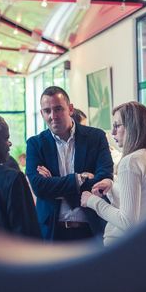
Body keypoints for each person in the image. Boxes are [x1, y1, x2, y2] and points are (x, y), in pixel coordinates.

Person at [81, 101, 146, 246]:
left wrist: (92, 201)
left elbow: (127, 221)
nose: (112, 132)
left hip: (123, 244)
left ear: (132, 127)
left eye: (117, 126)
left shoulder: (131, 161)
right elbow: (144, 198)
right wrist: (112, 186)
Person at [26, 86, 114, 242]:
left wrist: (53, 184)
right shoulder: (35, 144)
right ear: (42, 114)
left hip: (91, 228)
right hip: (53, 232)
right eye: (47, 111)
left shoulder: (96, 137)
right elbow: (39, 186)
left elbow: (104, 177)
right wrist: (79, 179)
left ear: (70, 109)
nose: (53, 116)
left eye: (58, 109)